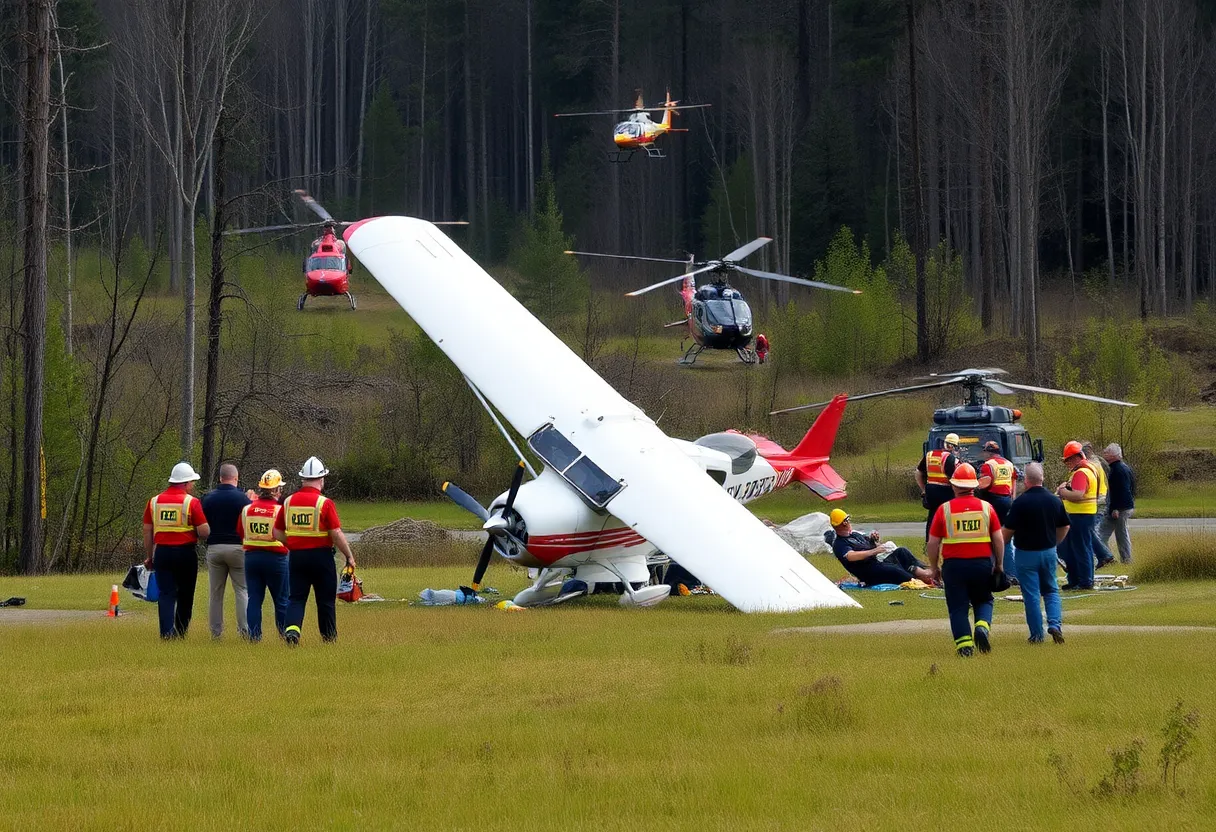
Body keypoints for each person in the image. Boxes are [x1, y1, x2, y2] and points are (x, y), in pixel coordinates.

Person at [926, 462, 1004, 657]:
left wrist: (934, 567)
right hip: (981, 564)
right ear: (974, 486)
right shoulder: (987, 508)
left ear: (954, 486)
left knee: (958, 607)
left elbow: (932, 543)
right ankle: (982, 627)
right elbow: (998, 539)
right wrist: (999, 565)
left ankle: (964, 648)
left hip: (953, 567)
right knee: (984, 600)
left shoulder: (944, 510)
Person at [277, 456, 356, 645]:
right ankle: (328, 639)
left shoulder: (288, 502)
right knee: (325, 600)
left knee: (296, 598)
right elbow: (335, 533)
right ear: (321, 479)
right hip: (321, 557)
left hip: (297, 557)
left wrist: (294, 544)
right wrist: (349, 556)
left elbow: (276, 532)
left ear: (303, 478)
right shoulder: (324, 503)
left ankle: (292, 632)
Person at [1002, 463, 1069, 644]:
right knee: (1051, 590)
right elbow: (1065, 525)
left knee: (1031, 595)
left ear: (1026, 480)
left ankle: (1037, 635)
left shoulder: (1020, 503)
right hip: (1048, 552)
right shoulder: (1054, 500)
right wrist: (1055, 542)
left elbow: (1007, 532)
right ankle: (1055, 624)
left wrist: (998, 544)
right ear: (1042, 478)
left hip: (1026, 554)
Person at [143, 462, 210, 639]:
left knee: (165, 593)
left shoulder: (154, 502)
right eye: (192, 482)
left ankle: (166, 633)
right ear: (186, 483)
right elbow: (204, 531)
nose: (193, 486)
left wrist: (150, 557)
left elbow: (147, 531)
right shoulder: (191, 502)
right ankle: (181, 632)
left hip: (162, 553)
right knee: (185, 593)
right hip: (185, 554)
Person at [239, 469, 291, 642]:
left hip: (252, 559)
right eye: (280, 489)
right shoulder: (280, 510)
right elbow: (286, 535)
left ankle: (254, 637)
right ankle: (284, 636)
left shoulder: (247, 509)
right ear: (275, 491)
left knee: (254, 599)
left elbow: (241, 532)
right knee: (282, 600)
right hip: (276, 559)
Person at [201, 462, 252, 639]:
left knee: (215, 593)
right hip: (238, 548)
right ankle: (244, 631)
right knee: (242, 591)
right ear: (236, 478)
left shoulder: (208, 498)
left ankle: (216, 633)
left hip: (214, 548)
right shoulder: (243, 499)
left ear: (220, 478)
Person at [828, 508, 936, 585]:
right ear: (844, 523)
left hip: (878, 562)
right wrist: (873, 551)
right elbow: (851, 556)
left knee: (902, 552)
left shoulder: (855, 535)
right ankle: (921, 580)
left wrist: (874, 541)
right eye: (847, 519)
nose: (849, 522)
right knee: (896, 571)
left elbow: (876, 546)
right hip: (869, 572)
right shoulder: (839, 544)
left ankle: (925, 572)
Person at [1056, 440, 1099, 590]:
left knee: (1081, 549)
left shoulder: (1081, 472)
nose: (1066, 463)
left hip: (1080, 515)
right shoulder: (1087, 469)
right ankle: (1076, 579)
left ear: (1075, 457)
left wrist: (1062, 491)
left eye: (1067, 460)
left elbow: (1078, 495)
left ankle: (1085, 581)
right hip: (1081, 514)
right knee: (1077, 548)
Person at [977, 439, 1018, 577]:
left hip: (993, 501)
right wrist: (1012, 497)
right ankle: (1011, 572)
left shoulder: (988, 465)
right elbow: (1014, 481)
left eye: (984, 451)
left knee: (991, 536)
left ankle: (992, 569)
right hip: (1007, 500)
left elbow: (984, 484)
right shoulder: (1009, 464)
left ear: (988, 452)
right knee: (1005, 536)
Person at [916, 432, 961, 540]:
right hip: (945, 491)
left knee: (932, 516)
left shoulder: (929, 455)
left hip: (930, 491)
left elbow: (918, 472)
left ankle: (929, 541)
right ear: (954, 446)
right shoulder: (950, 458)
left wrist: (923, 489)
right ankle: (949, 539)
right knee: (948, 516)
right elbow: (955, 479)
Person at [1098, 443, 1136, 564]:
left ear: (1113, 455)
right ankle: (1109, 558)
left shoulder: (1117, 470)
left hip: (1119, 509)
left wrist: (1115, 509)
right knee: (1102, 534)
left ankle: (1124, 560)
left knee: (1120, 535)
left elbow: (1122, 491)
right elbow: (1133, 488)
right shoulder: (1124, 467)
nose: (1104, 454)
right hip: (1122, 507)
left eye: (1107, 452)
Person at [1082, 442, 1114, 568]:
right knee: (1090, 530)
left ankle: (1104, 556)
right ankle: (1104, 556)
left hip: (1097, 501)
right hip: (1101, 498)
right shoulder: (1098, 462)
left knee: (1090, 530)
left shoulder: (1091, 465)